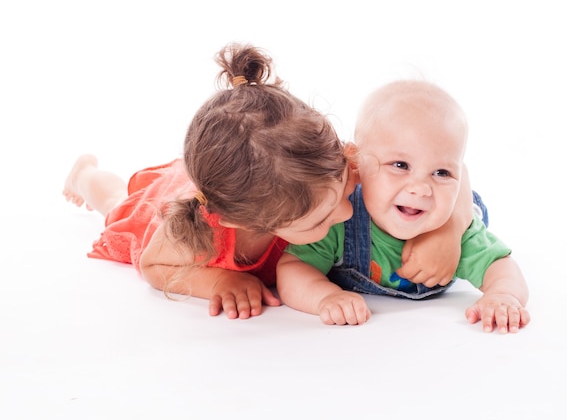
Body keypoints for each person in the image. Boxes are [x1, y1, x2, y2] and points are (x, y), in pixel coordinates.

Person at [63, 43, 469, 320]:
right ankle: (85, 175)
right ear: (246, 222)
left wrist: (450, 229)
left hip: (233, 176)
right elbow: (153, 265)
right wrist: (221, 278)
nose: (348, 209)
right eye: (321, 219)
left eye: (344, 190)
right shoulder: (198, 231)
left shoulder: (327, 169)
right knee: (117, 201)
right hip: (170, 205)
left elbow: (447, 166)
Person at [276, 79, 530, 333]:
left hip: (456, 216)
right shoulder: (341, 219)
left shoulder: (462, 235)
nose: (420, 188)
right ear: (357, 162)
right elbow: (294, 269)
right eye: (400, 165)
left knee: (464, 212)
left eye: (442, 172)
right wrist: (325, 297)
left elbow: (501, 266)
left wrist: (503, 295)